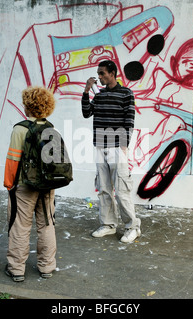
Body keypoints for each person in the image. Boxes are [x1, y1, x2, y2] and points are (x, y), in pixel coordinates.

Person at [82, 60, 141, 243]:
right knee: (104, 188)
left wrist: (123, 146)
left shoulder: (126, 93)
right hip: (100, 146)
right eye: (98, 74)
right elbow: (86, 112)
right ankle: (108, 224)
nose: (99, 77)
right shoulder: (99, 95)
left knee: (122, 189)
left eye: (102, 73)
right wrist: (86, 91)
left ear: (112, 73)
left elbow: (129, 120)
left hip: (117, 147)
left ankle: (133, 227)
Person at [3, 86, 57, 282]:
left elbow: (13, 160)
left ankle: (17, 269)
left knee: (20, 226)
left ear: (28, 106)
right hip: (48, 186)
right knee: (47, 224)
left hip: (24, 186)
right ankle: (47, 266)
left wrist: (9, 184)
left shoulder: (20, 129)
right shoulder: (51, 128)